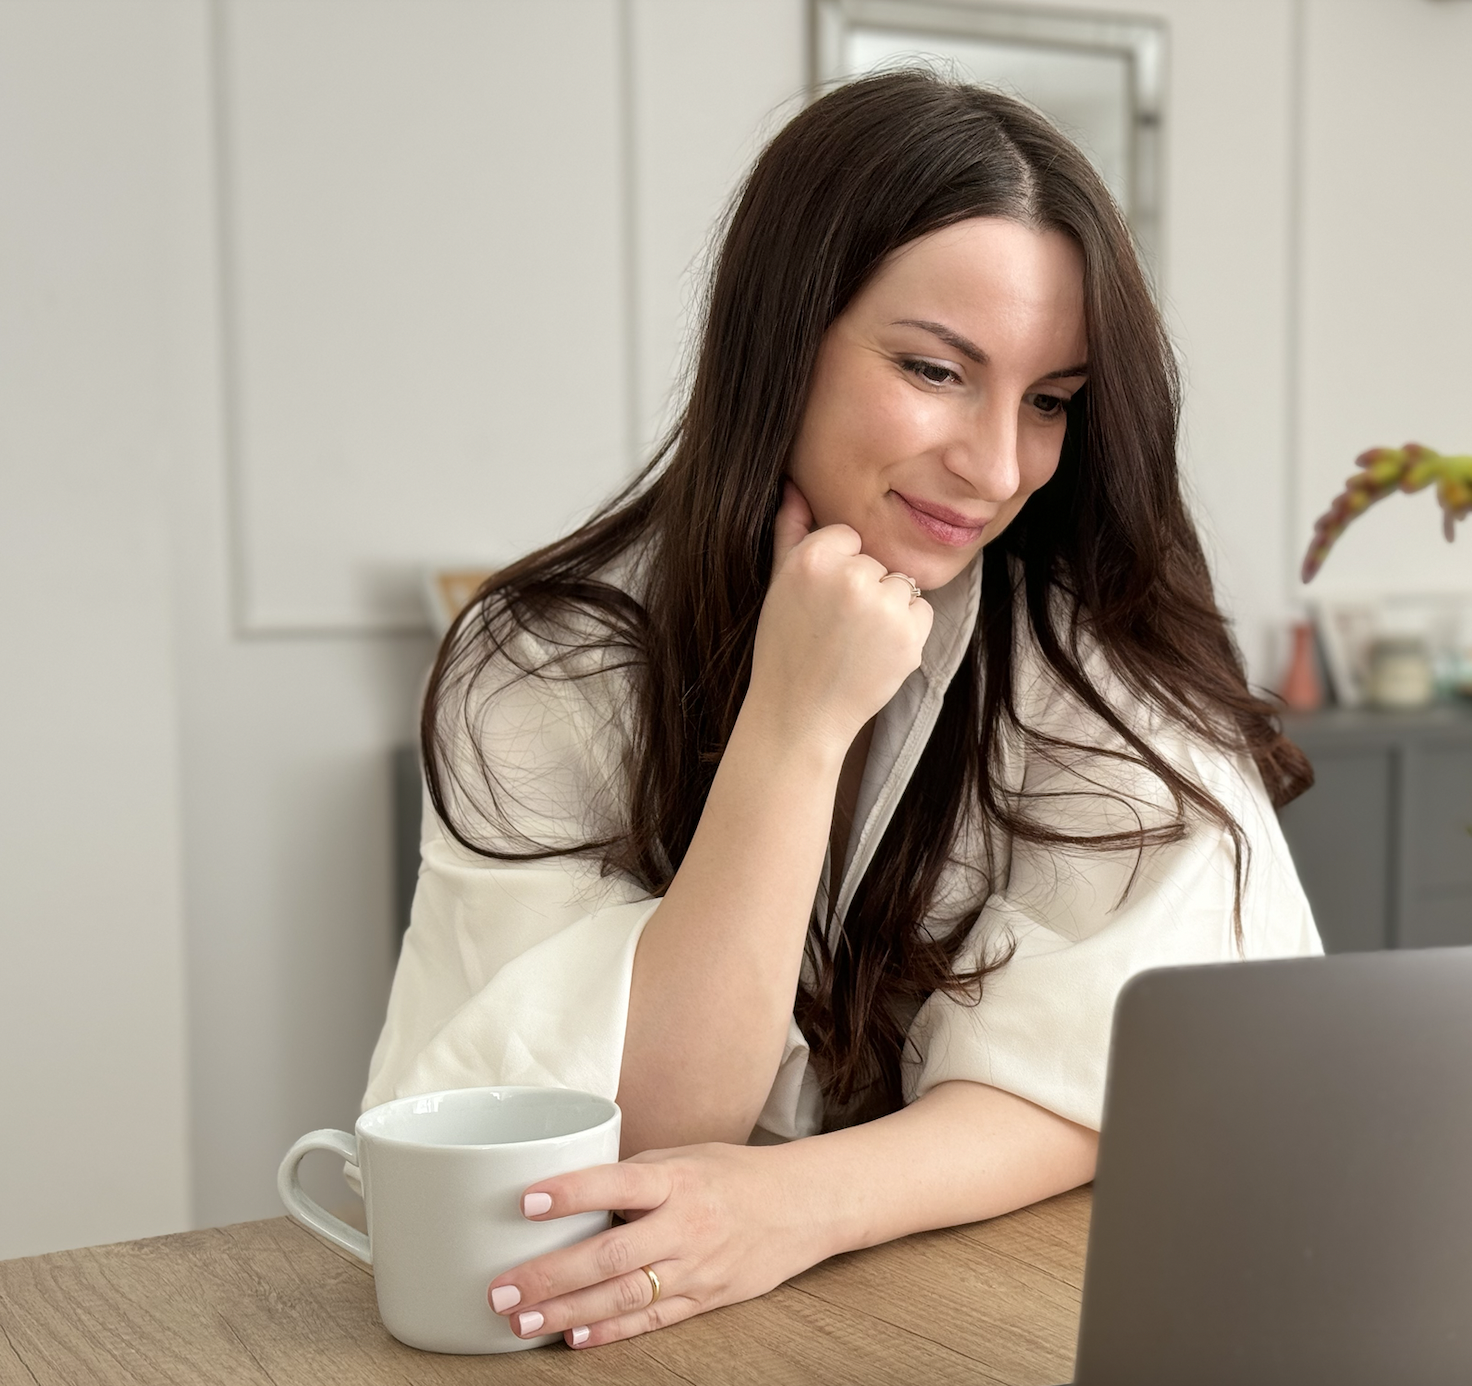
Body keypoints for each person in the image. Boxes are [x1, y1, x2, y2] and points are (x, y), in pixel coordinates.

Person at [363, 69, 1320, 1350]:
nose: (995, 467)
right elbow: (638, 1132)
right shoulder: (550, 662)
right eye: (935, 370)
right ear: (783, 334)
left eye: (1049, 402)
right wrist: (794, 724)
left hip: (965, 1319)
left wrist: (798, 1202)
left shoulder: (1079, 658)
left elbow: (1117, 1071)